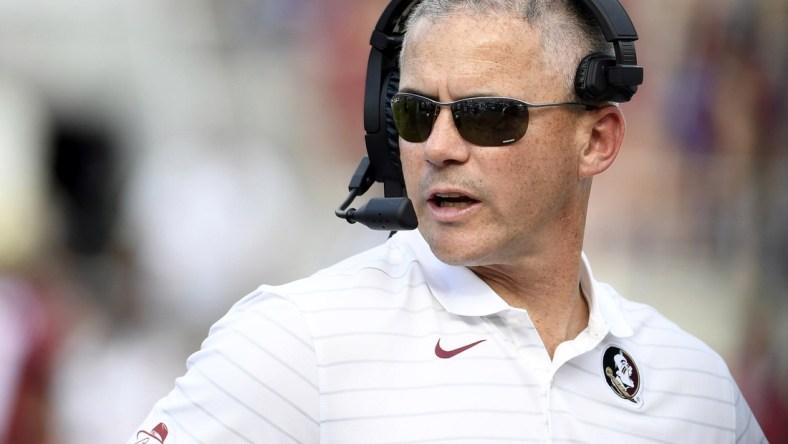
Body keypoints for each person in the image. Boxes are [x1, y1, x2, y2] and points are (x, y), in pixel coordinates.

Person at [127, 0, 766, 442]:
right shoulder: (295, 341)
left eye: (487, 115)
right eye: (414, 113)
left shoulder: (697, 385)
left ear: (596, 140)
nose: (438, 147)